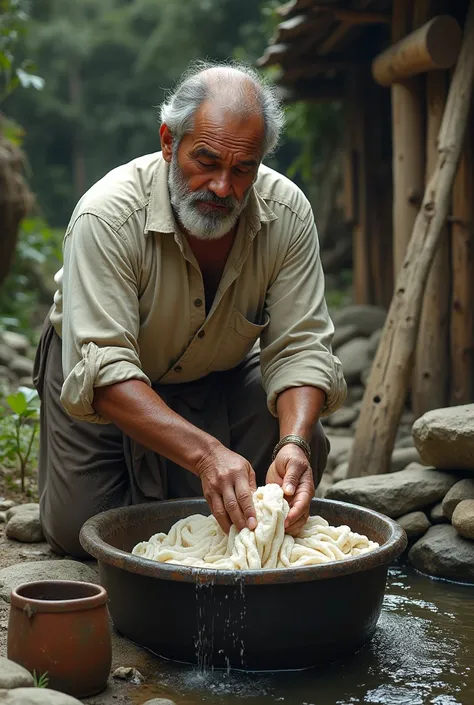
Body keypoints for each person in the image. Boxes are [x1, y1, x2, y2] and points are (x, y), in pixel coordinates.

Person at [33, 61, 347, 558]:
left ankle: (183, 491)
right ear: (167, 142)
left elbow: (302, 346)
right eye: (206, 161)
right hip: (101, 387)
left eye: (243, 168)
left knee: (297, 457)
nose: (223, 187)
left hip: (219, 372)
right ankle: (168, 485)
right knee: (83, 533)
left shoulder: (287, 212)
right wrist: (206, 455)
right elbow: (107, 370)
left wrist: (296, 443)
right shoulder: (107, 215)